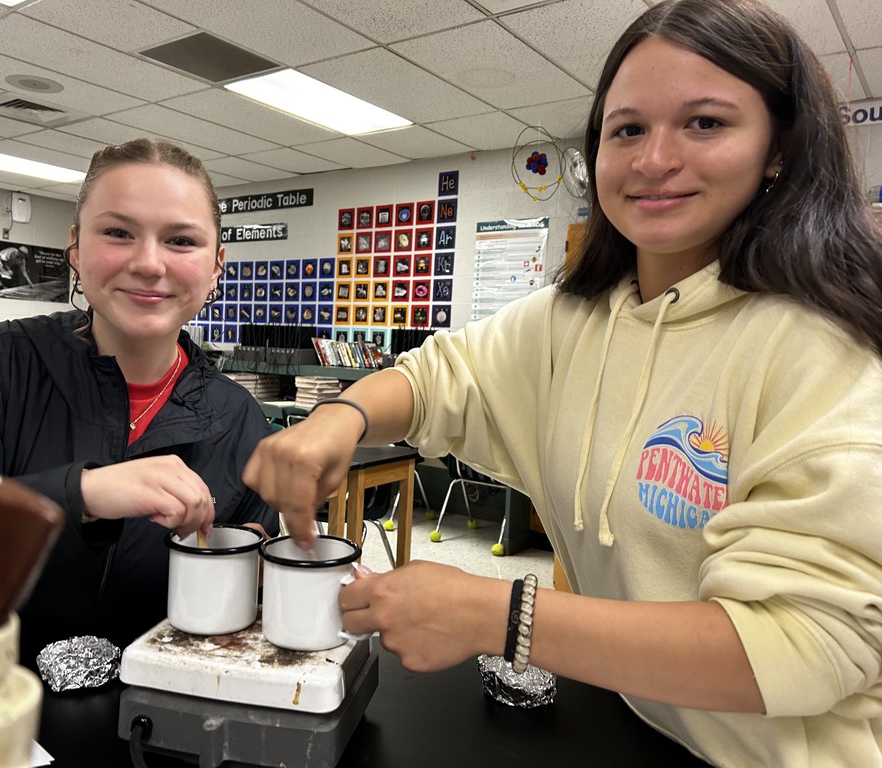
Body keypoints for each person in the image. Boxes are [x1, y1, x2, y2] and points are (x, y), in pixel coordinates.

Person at [242, 1, 882, 765]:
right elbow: (438, 375)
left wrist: (501, 615)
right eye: (627, 129)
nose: (654, 160)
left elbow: (808, 642)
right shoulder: (572, 319)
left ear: (780, 147)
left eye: (705, 123)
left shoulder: (825, 348)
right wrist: (339, 418)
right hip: (637, 720)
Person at [0, 138, 278, 665]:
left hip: (154, 704)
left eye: (181, 240)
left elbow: (242, 597)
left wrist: (263, 571)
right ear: (76, 248)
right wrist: (78, 494)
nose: (149, 263)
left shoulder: (238, 419)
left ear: (217, 265)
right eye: (118, 233)